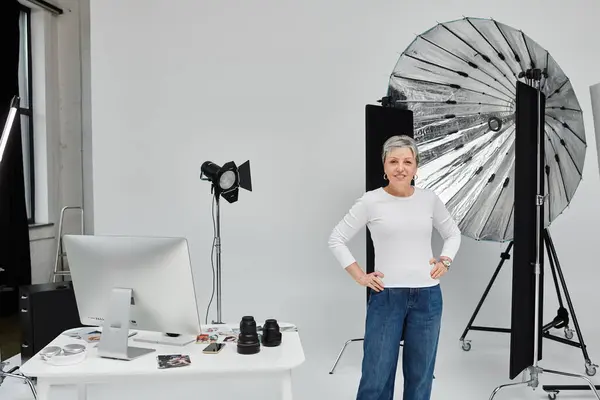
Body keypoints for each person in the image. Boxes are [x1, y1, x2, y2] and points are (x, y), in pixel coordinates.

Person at [328, 135, 461, 400]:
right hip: (387, 296)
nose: (401, 168)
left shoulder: (429, 199)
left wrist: (445, 260)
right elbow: (336, 238)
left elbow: (453, 234)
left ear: (416, 167)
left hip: (428, 298)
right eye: (394, 161)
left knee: (421, 376)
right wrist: (360, 276)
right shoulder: (371, 201)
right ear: (385, 166)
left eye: (407, 162)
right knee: (376, 375)